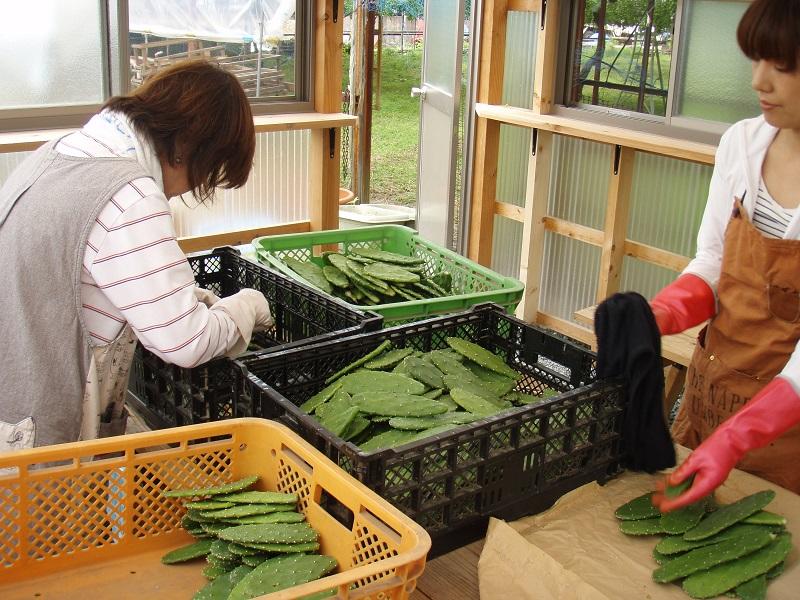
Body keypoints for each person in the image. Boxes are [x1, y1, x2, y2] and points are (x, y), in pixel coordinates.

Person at [0, 59, 273, 450]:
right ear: (187, 148)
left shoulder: (62, 152)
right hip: (36, 428)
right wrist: (246, 306)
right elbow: (186, 340)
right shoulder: (129, 196)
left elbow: (83, 279)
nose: (190, 189)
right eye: (207, 172)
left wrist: (188, 299)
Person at [650, 0, 800, 512]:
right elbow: (714, 260)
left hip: (790, 441)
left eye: (784, 65)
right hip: (713, 391)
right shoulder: (741, 143)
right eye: (756, 59)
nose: (760, 81)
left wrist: (740, 437)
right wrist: (663, 313)